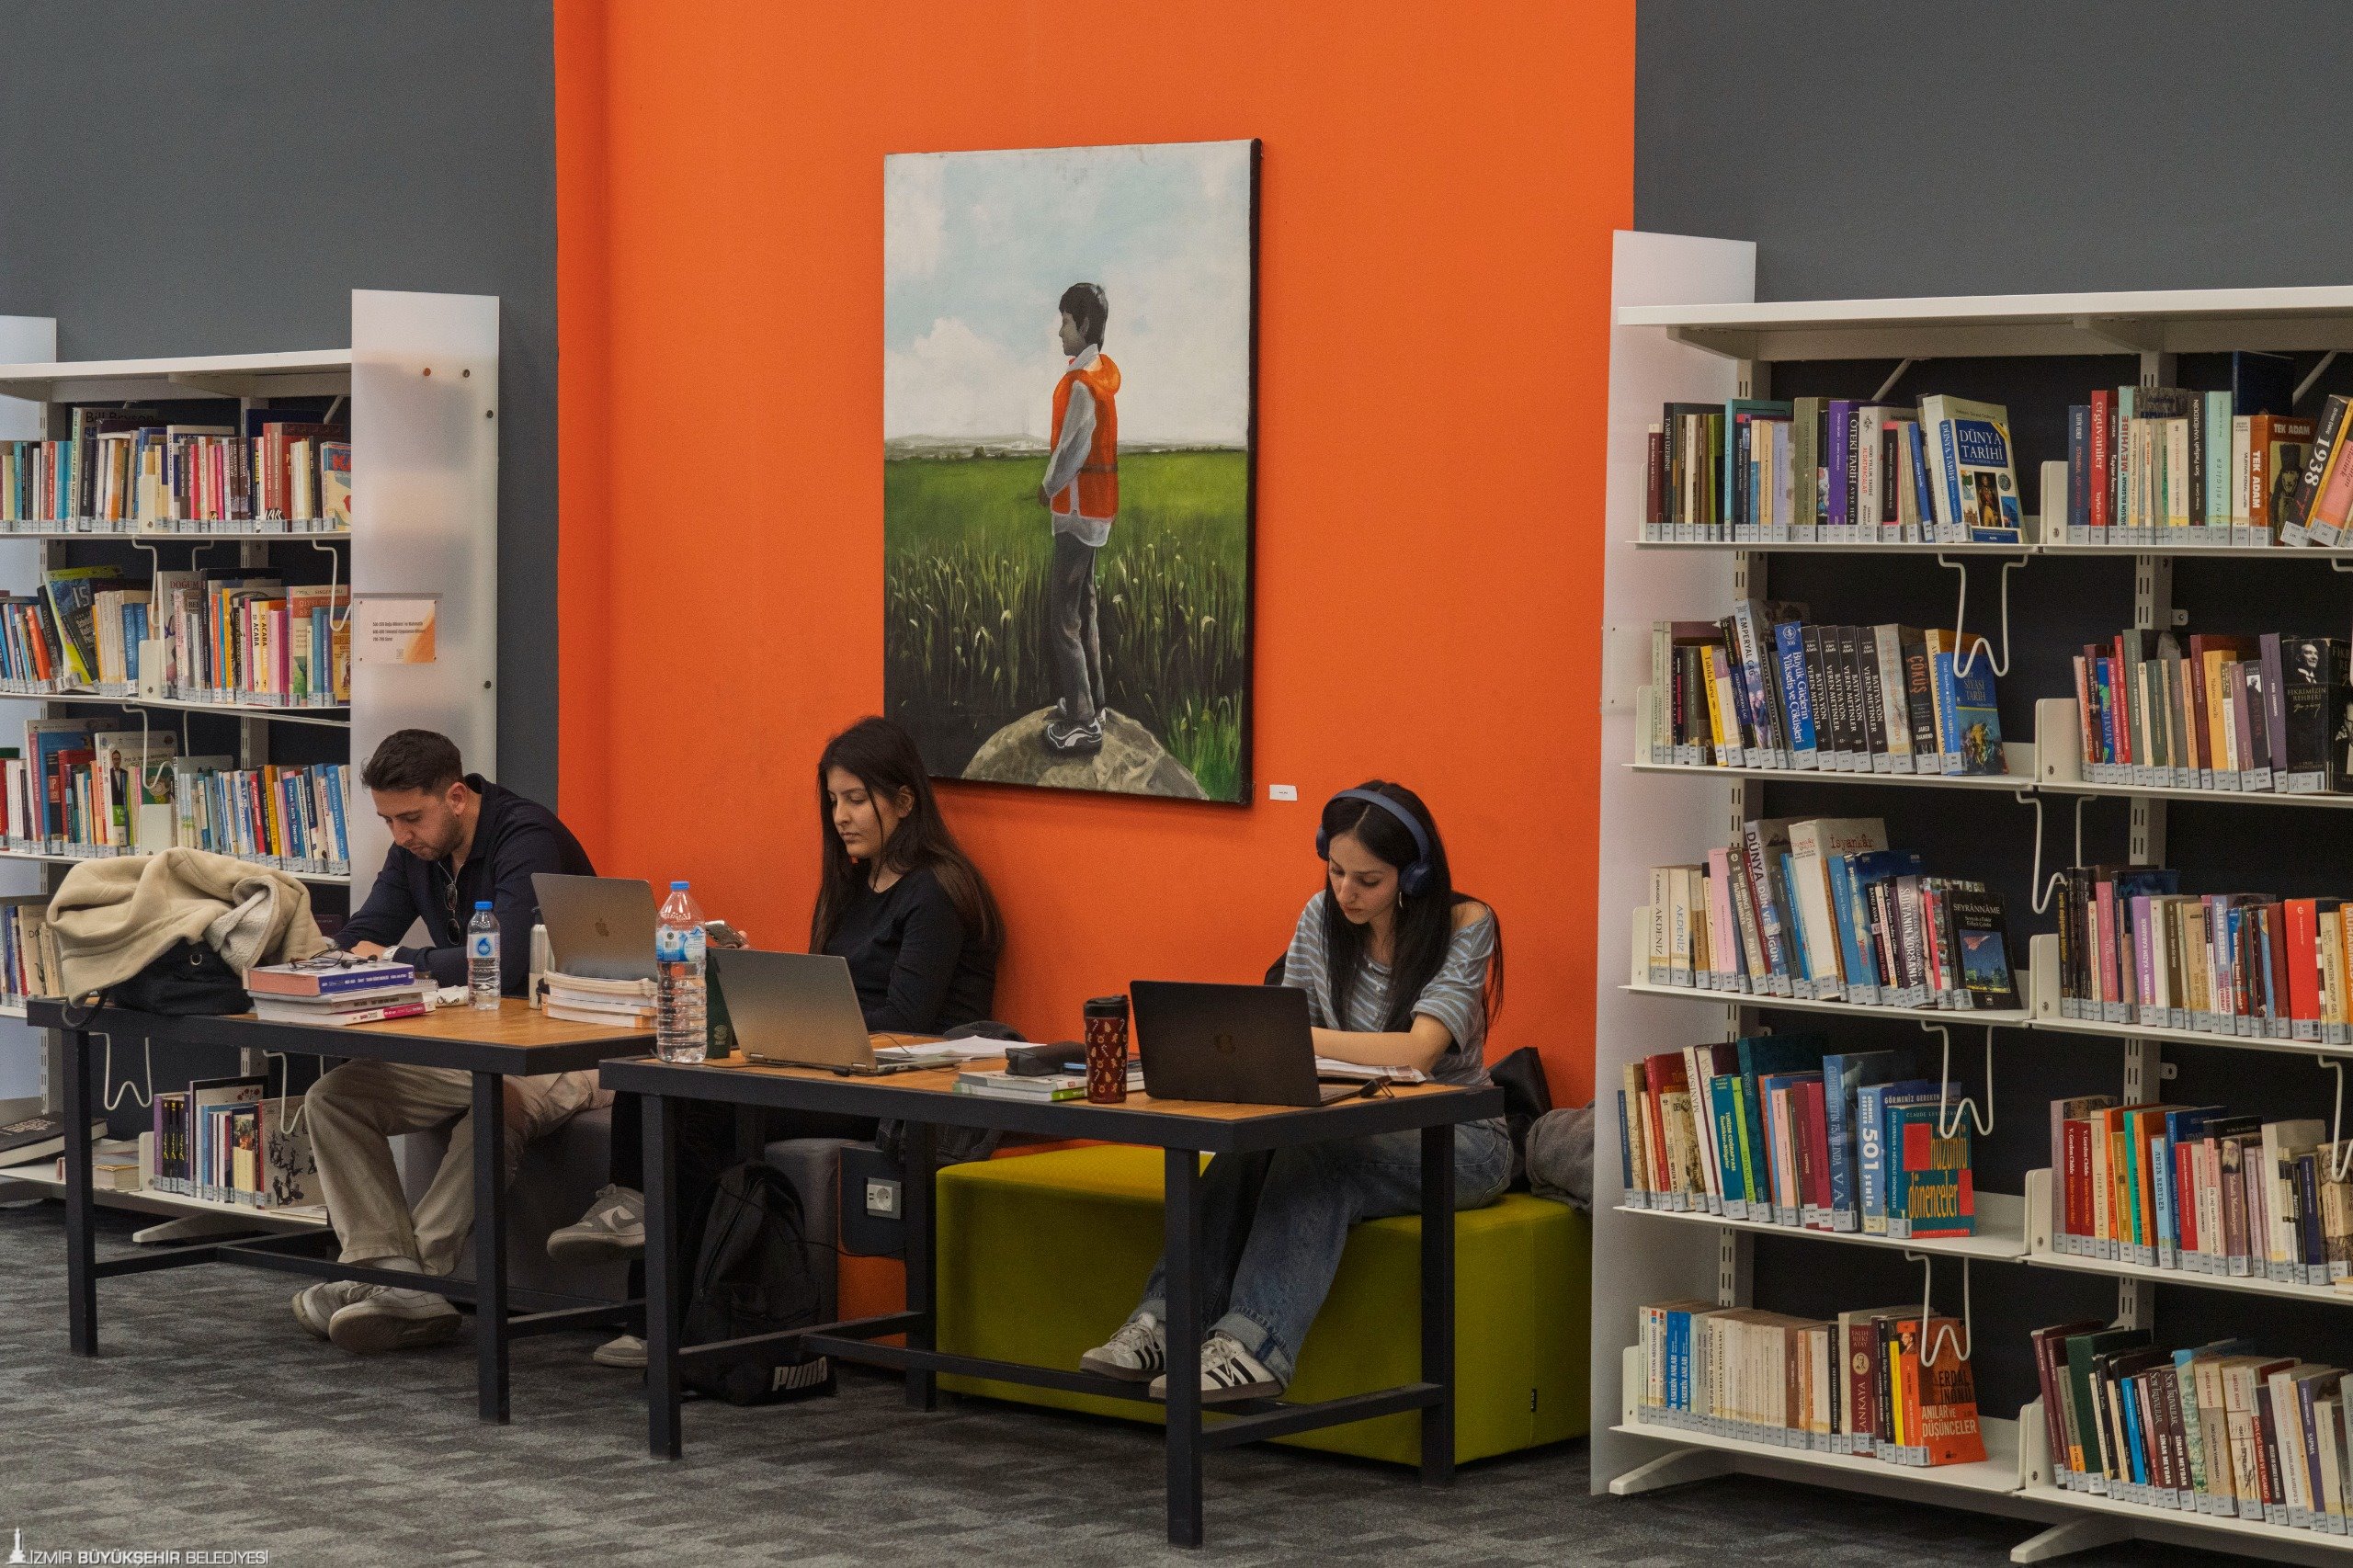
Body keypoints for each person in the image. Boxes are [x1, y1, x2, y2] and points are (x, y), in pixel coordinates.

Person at [549, 715, 1002, 1366]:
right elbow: (836, 990)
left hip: (896, 1083)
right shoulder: (856, 885)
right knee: (655, 1077)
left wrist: (792, 1013)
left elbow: (907, 1020)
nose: (840, 817)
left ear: (904, 801)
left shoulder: (935, 893)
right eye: (834, 801)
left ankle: (664, 1319)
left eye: (856, 800)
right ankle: (635, 1234)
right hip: (828, 1063)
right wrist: (765, 990)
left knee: (694, 1110)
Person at [1079, 781, 1509, 1403]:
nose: (1346, 892)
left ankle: (1253, 1348)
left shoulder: (1466, 924)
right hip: (1350, 1116)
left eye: (1368, 880)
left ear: (1412, 876)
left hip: (1458, 1137)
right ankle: (1165, 1323)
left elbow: (1419, 1051)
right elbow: (1281, 1040)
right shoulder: (1320, 917)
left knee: (1319, 1158)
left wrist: (1304, 1038)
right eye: (1335, 871)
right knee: (1248, 1148)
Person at [291, 729, 598, 1354]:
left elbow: (506, 962)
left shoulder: (526, 837)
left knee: (498, 1103)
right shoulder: (417, 850)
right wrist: (317, 962)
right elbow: (367, 927)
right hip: (479, 1042)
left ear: (456, 797)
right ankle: (385, 1269)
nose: (401, 835)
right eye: (388, 821)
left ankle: (414, 1282)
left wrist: (397, 958)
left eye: (411, 818)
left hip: (570, 1042)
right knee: (334, 1099)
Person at [1036, 280, 1120, 757]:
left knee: (1064, 617)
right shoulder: (1100, 375)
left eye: (1065, 322)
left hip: (1075, 510)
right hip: (1096, 512)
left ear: (1084, 324)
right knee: (1085, 607)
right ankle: (1096, 703)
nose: (1060, 332)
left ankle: (1083, 721)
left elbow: (1071, 450)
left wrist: (1047, 486)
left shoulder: (1082, 386)